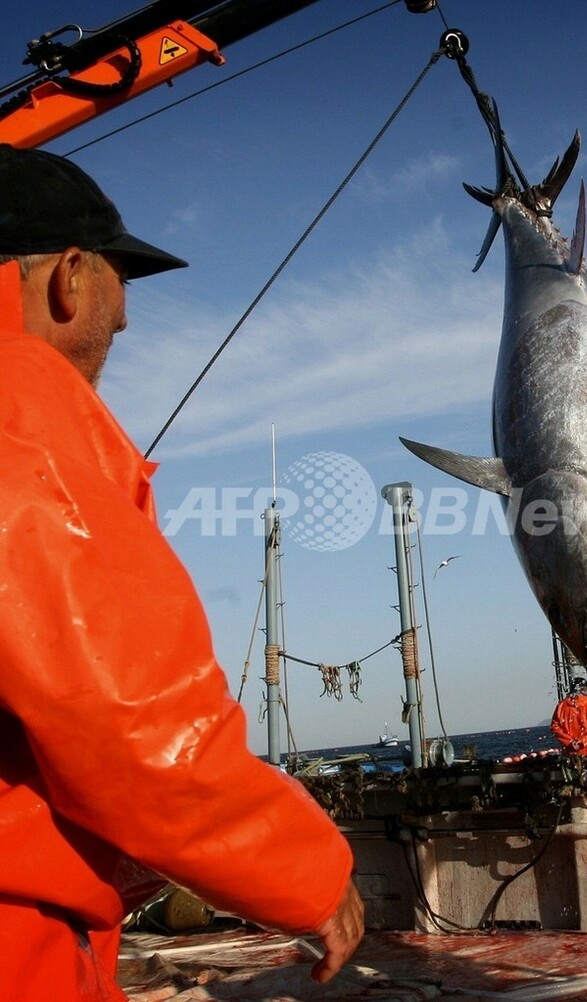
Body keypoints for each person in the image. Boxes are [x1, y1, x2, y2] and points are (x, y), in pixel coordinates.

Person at [0, 144, 363, 999]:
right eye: (121, 284)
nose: (122, 321)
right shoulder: (19, 399)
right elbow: (122, 718)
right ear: (71, 276)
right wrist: (305, 872)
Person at [550, 677, 587, 755]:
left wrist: (569, 741)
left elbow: (554, 727)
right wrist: (582, 741)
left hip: (570, 750)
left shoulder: (562, 706)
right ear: (586, 689)